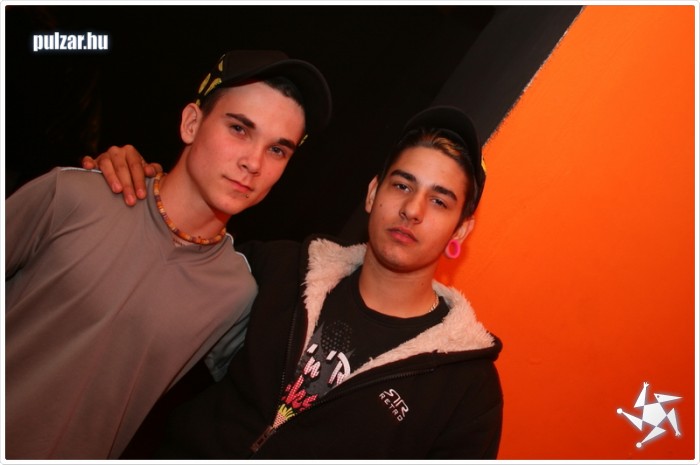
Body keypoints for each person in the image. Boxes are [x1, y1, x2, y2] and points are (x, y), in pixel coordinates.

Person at [87, 105, 503, 459]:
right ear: (373, 193)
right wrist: (143, 191)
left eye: (439, 200)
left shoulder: (466, 389)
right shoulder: (279, 269)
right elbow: (164, 276)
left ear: (460, 230)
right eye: (402, 185)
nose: (412, 209)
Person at [4, 49, 332, 459]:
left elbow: (275, 408)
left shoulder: (236, 294)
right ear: (191, 123)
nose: (253, 163)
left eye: (278, 150)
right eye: (239, 129)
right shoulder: (74, 195)